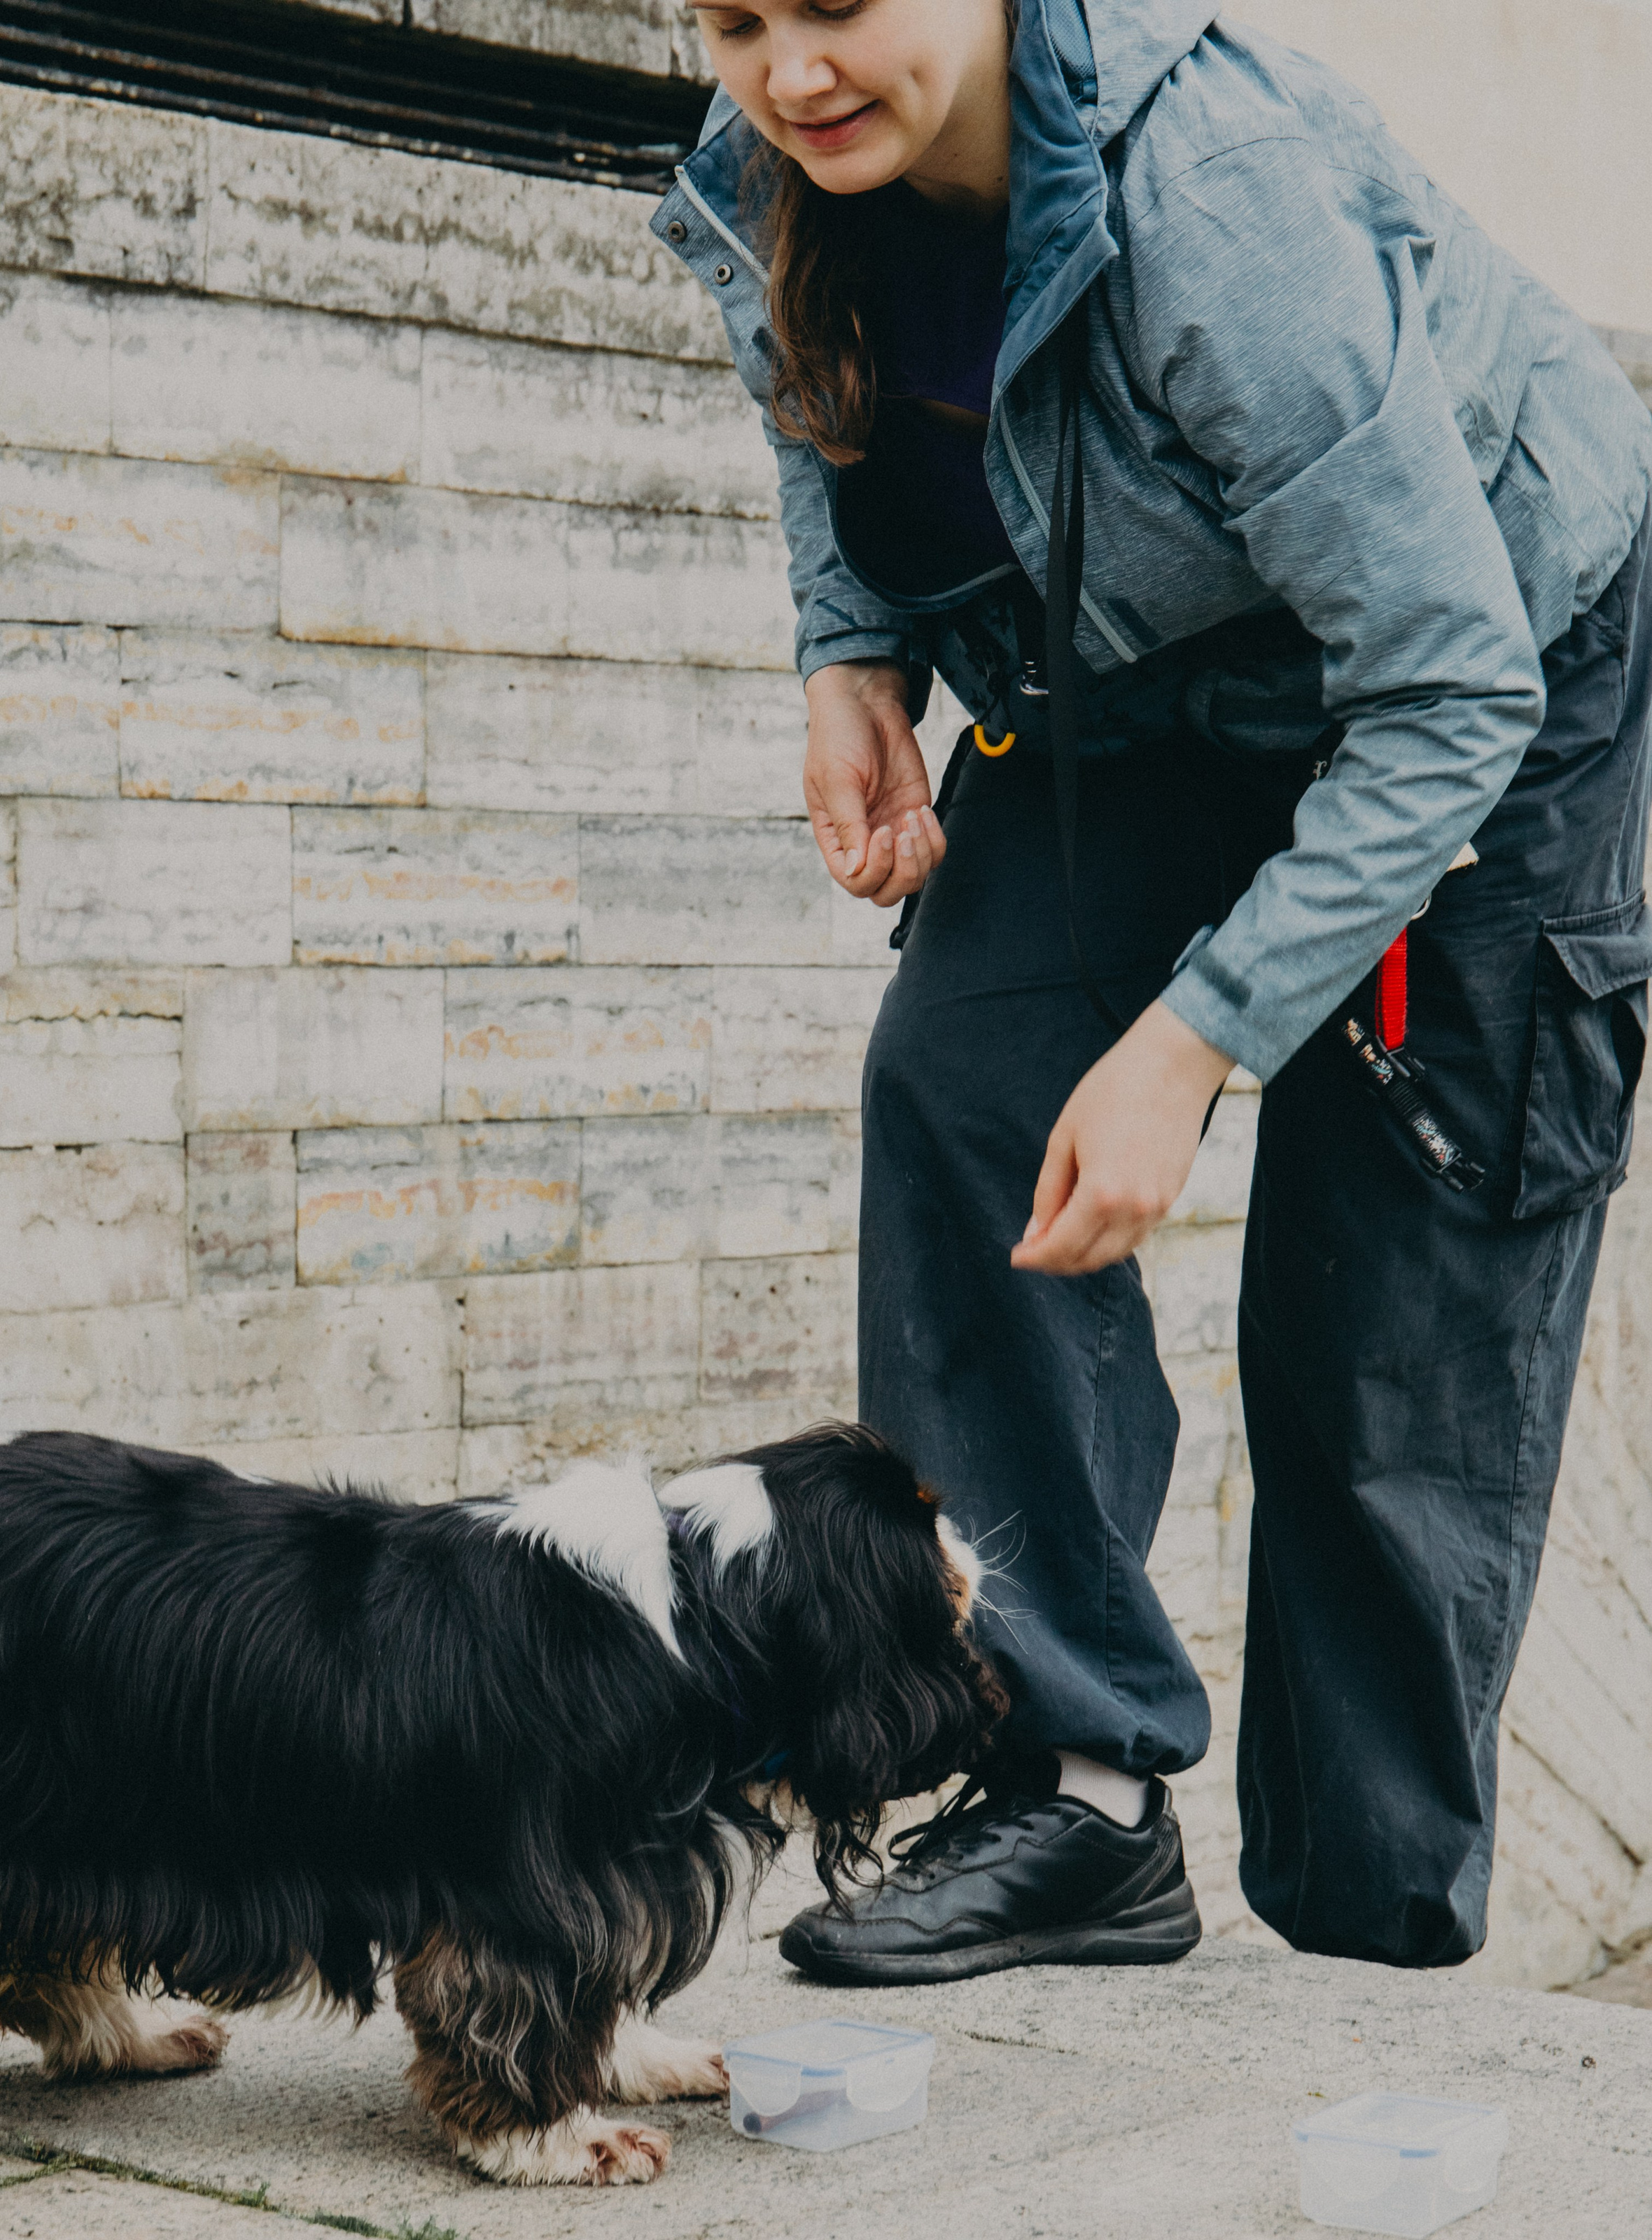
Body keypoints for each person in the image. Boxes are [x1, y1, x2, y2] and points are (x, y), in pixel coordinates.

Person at [653, 0, 1652, 1980]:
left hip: (1480, 672)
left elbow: (1451, 683)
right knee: (960, 1080)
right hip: (1134, 677)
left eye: (836, 6)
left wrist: (1194, 1041)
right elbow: (816, 399)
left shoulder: (1217, 195)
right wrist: (846, 657)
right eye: (735, 18)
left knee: (1387, 1320)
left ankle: (1368, 1955)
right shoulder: (776, 143)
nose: (788, 70)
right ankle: (1074, 1794)